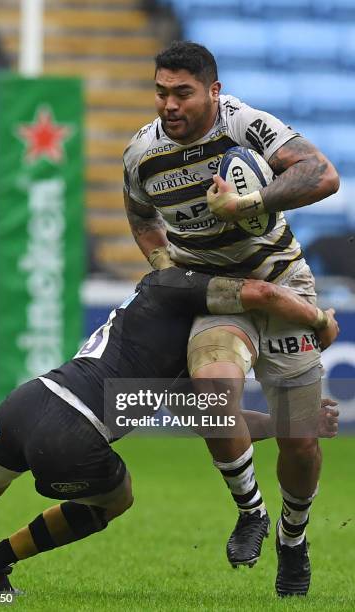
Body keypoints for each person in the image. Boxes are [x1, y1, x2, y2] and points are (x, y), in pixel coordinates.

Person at [0, 268, 339, 592]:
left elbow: (212, 418)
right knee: (116, 500)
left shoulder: (167, 327)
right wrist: (319, 319)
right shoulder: (172, 286)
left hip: (29, 401)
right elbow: (262, 293)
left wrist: (287, 422)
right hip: (74, 433)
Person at [122, 41, 340, 596]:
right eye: (161, 92)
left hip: (283, 284)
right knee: (211, 390)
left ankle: (294, 541)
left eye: (183, 93)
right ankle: (251, 511)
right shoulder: (141, 154)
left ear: (213, 92)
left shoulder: (246, 126)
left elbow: (323, 174)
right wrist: (167, 270)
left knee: (299, 438)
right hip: (216, 295)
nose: (169, 105)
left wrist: (248, 204)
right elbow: (140, 214)